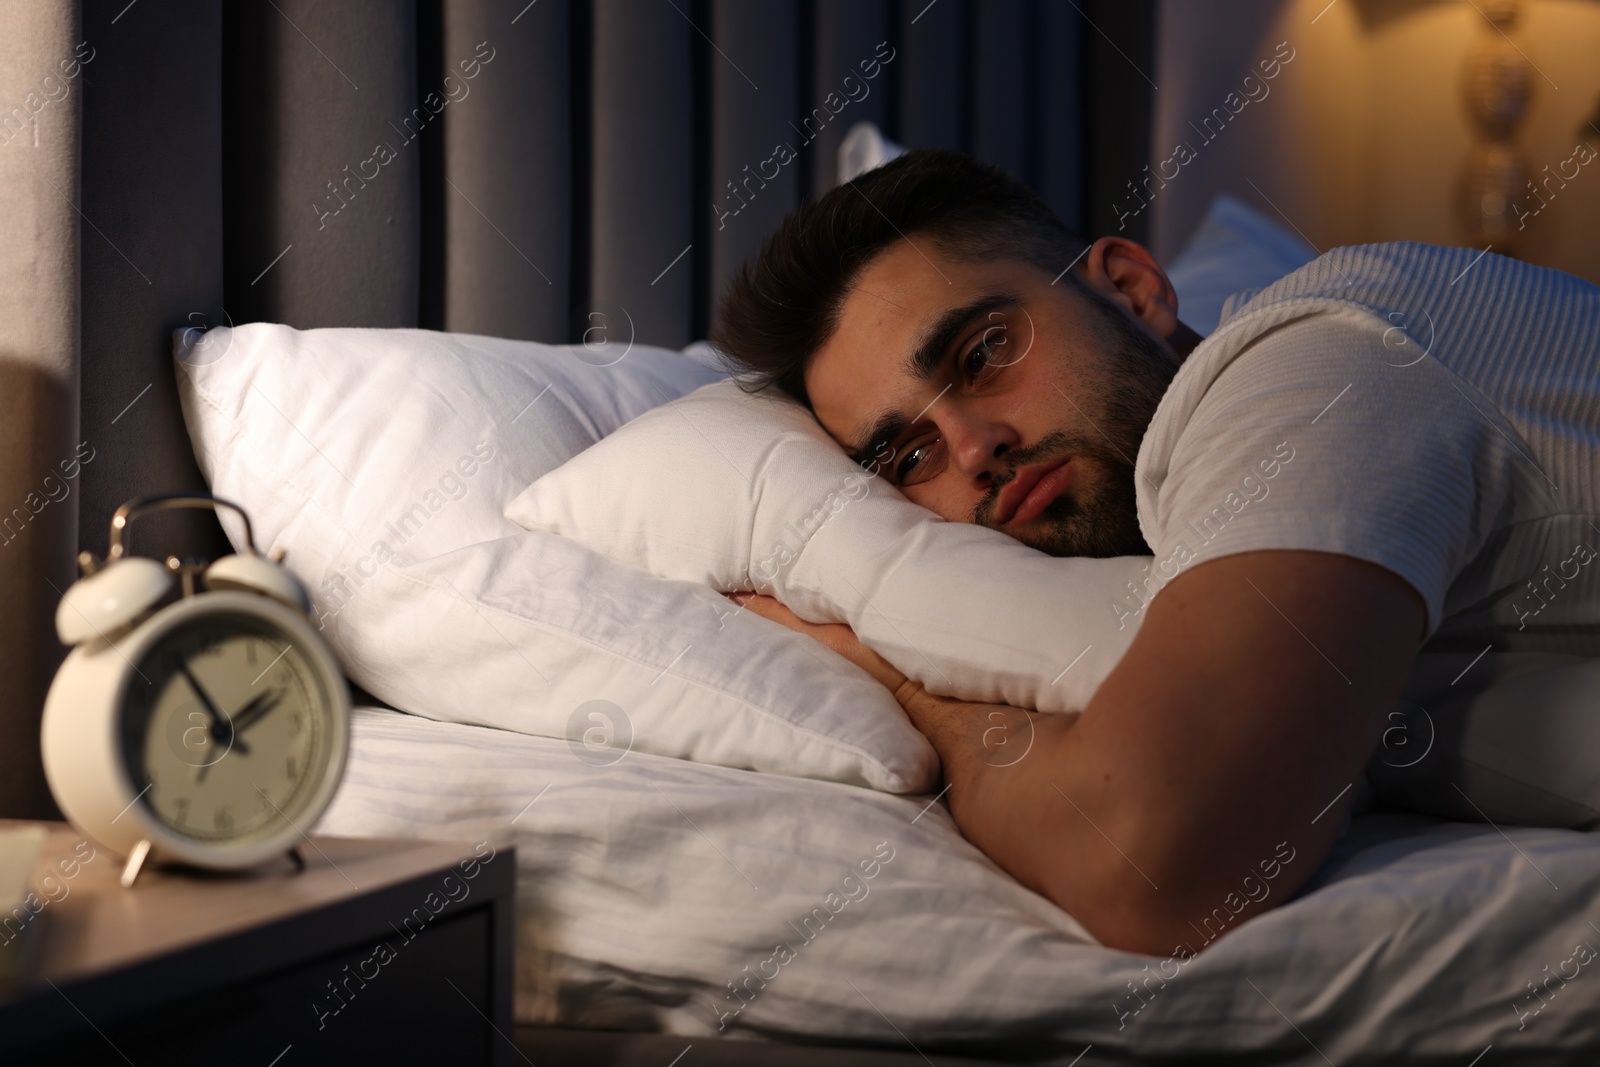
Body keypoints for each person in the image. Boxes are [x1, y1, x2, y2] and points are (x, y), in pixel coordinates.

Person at [710, 149, 1600, 955]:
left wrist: (906, 694)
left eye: (984, 353)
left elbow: (1154, 869)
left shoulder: (1314, 367)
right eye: (909, 456)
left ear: (1133, 288)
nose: (973, 448)